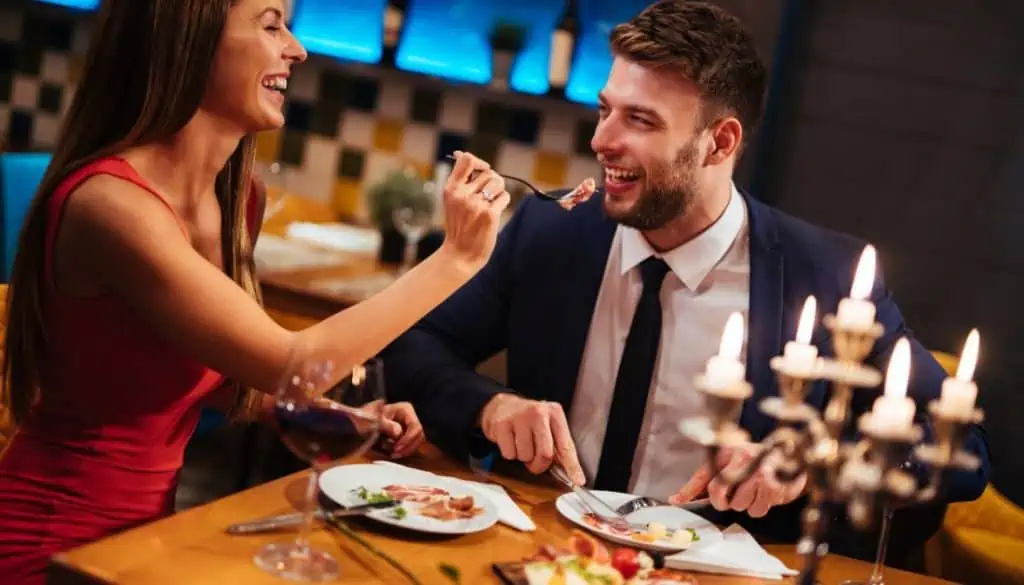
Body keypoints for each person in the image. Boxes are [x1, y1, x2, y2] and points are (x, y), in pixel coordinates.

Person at [381, 0, 989, 564]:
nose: (601, 140)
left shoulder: (825, 274)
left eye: (640, 120)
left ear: (720, 141)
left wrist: (805, 465)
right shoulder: (550, 230)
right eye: (605, 110)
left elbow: (960, 455)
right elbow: (411, 346)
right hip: (546, 555)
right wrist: (491, 406)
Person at [0, 1, 510, 582]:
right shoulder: (110, 207)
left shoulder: (239, 199)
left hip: (150, 538)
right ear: (187, 42)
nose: (298, 49)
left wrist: (344, 418)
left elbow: (223, 378)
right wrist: (456, 260)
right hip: (50, 544)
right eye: (271, 25)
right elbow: (290, 364)